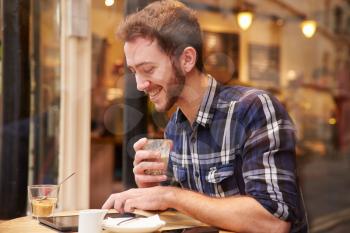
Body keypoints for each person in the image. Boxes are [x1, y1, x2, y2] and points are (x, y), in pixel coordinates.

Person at [102, 1, 308, 232]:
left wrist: (169, 195)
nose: (140, 85)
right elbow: (185, 215)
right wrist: (151, 192)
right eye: (134, 71)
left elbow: (273, 222)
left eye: (148, 69)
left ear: (187, 59)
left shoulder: (253, 109)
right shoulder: (175, 128)